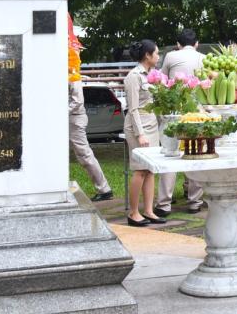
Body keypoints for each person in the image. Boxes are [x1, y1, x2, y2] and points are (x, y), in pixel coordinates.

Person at [156, 28, 205, 215]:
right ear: (197, 44)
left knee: (170, 153)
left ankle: (164, 204)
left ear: (178, 44)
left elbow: (164, 79)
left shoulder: (170, 56)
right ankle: (195, 201)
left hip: (174, 109)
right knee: (195, 152)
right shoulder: (202, 57)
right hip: (196, 110)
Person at [122, 40, 166, 227]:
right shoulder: (134, 76)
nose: (158, 56)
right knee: (140, 170)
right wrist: (140, 134)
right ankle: (133, 212)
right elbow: (133, 109)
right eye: (156, 53)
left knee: (150, 170)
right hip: (137, 127)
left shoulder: (152, 75)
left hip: (151, 125)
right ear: (147, 56)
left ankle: (148, 210)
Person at [69, 79, 112, 202]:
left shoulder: (73, 76)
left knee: (84, 155)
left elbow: (77, 102)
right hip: (70, 118)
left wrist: (58, 113)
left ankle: (104, 189)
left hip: (74, 119)